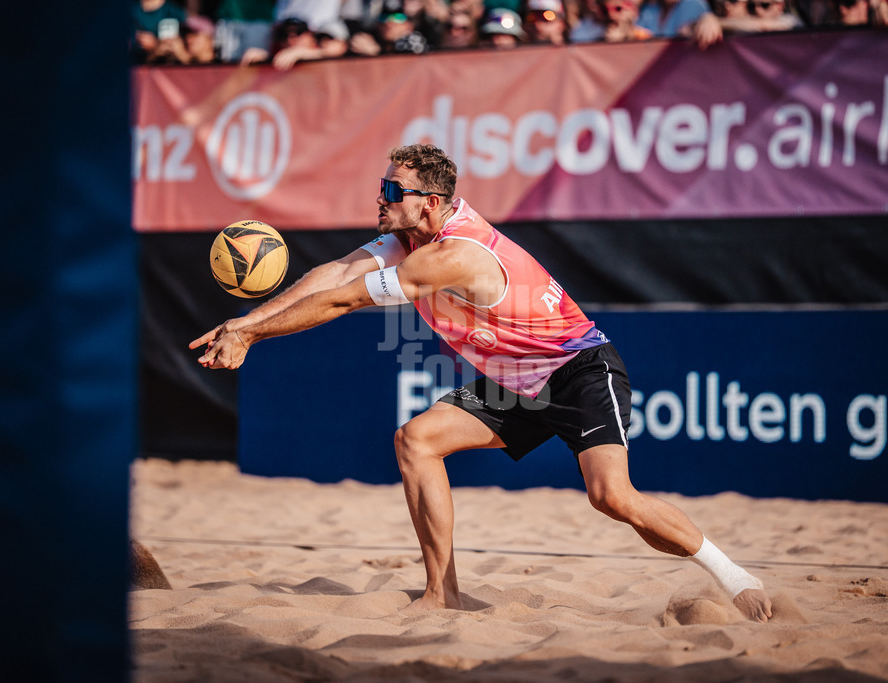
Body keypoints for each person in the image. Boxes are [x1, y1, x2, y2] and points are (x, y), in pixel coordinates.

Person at [189, 144, 773, 623]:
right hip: (514, 380)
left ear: (431, 203)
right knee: (416, 440)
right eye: (383, 188)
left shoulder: (453, 256)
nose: (381, 199)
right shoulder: (408, 237)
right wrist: (244, 323)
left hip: (577, 371)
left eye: (394, 192)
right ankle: (443, 593)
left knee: (612, 498)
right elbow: (336, 272)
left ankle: (735, 577)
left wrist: (252, 336)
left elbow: (343, 299)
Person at [636, 0, 724, 48]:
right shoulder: (650, 8)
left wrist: (708, 19)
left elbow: (705, 25)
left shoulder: (694, 4)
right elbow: (637, 33)